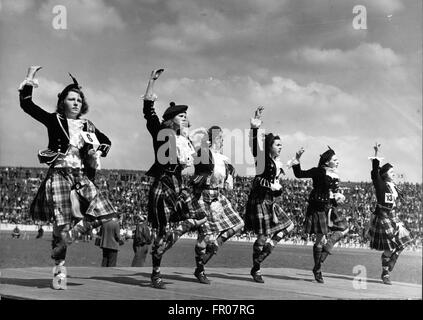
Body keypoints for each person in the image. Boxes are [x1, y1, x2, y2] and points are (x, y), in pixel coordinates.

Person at [18, 66, 116, 289]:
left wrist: (97, 151)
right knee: (60, 226)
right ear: (63, 102)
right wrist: (30, 80)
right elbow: (27, 105)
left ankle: (72, 236)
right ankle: (59, 272)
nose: (76, 103)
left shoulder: (88, 125)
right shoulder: (55, 120)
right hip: (60, 174)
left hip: (81, 175)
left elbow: (107, 141)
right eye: (71, 99)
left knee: (106, 212)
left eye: (79, 100)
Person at [141, 69, 207, 289]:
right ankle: (156, 272)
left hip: (180, 185)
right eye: (181, 115)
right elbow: (148, 110)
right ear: (171, 119)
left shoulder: (185, 139)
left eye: (186, 115)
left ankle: (168, 239)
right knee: (160, 231)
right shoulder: (161, 131)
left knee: (201, 218)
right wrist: (151, 81)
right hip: (164, 183)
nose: (185, 118)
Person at [244, 107, 294, 283]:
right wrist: (255, 126)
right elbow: (253, 144)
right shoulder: (262, 159)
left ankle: (266, 251)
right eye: (278, 145)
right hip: (259, 200)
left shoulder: (275, 163)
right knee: (262, 236)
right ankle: (256, 269)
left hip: (270, 202)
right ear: (270, 146)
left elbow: (277, 181)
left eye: (281, 145)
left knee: (289, 227)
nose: (280, 147)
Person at [191, 126, 245, 284]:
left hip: (217, 195)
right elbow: (198, 171)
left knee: (239, 223)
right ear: (213, 138)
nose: (222, 140)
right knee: (203, 237)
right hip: (202, 195)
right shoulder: (203, 153)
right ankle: (200, 270)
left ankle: (215, 245)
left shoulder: (224, 159)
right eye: (220, 137)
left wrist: (230, 177)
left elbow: (228, 181)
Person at [291, 146, 349, 283]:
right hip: (319, 207)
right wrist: (297, 158)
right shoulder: (318, 171)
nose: (338, 161)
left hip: (330, 207)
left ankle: (320, 260)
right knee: (319, 239)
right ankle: (317, 269)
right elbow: (299, 174)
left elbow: (332, 193)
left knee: (345, 228)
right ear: (327, 161)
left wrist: (338, 197)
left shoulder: (335, 175)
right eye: (335, 159)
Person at [368, 143, 414, 285]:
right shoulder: (380, 184)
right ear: (384, 174)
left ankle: (393, 258)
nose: (394, 174)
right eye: (391, 172)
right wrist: (376, 155)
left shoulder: (393, 186)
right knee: (389, 247)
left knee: (407, 240)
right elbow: (375, 173)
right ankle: (385, 273)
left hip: (392, 215)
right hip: (383, 216)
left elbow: (402, 197)